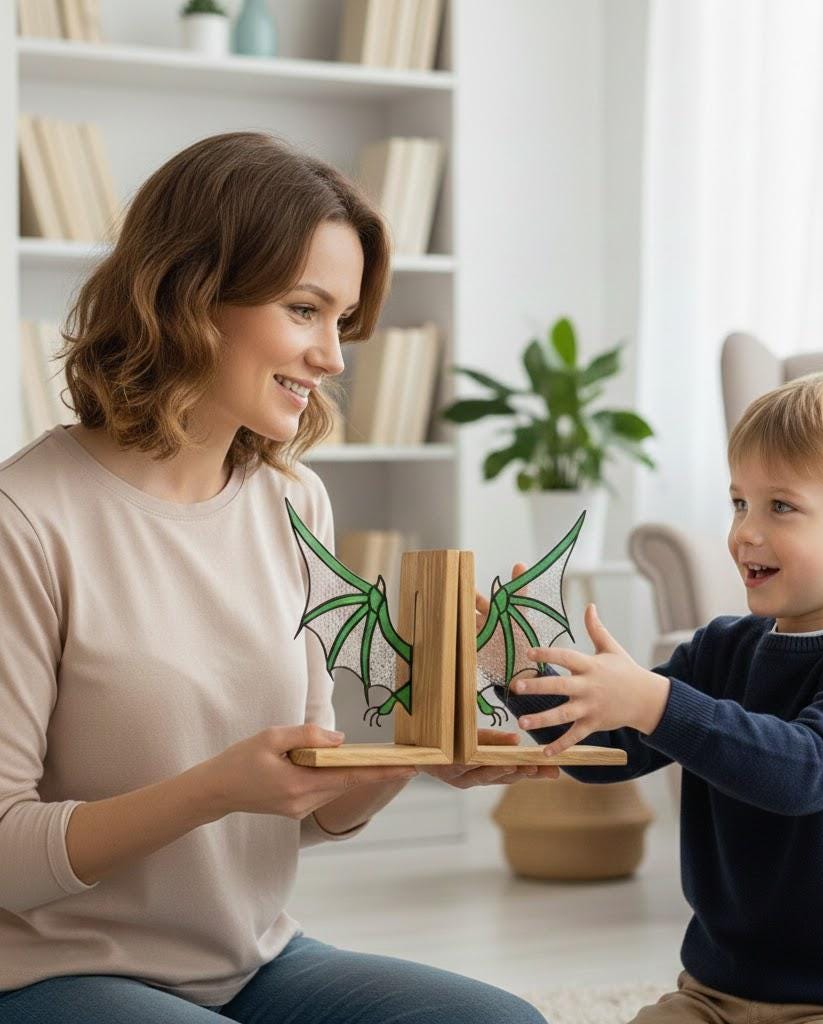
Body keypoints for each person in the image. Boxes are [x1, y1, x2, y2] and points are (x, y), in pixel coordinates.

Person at [0, 131, 552, 1024]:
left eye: (342, 322)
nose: (334, 357)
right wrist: (214, 787)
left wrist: (415, 748)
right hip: (49, 975)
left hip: (252, 964)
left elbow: (304, 809)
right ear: (191, 294)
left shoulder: (296, 503)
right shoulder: (24, 521)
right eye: (305, 310)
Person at [501, 370, 823, 1024]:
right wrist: (517, 668)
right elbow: (603, 754)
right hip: (715, 993)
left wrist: (654, 701)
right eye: (739, 502)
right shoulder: (720, 649)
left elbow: (805, 770)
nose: (745, 531)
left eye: (781, 506)